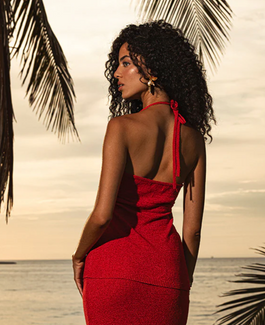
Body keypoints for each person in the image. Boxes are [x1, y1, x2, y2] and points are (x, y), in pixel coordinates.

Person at [72, 19, 215, 325]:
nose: (116, 73)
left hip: (112, 270)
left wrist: (79, 255)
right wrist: (179, 282)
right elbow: (193, 231)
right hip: (167, 272)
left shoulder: (121, 128)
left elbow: (102, 216)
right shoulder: (194, 141)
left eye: (126, 63)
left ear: (152, 69)